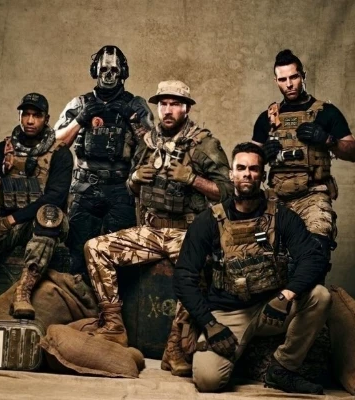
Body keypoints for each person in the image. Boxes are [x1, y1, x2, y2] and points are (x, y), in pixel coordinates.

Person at [84, 81, 233, 359]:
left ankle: (175, 347)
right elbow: (132, 187)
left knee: (194, 272)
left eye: (175, 104)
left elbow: (228, 192)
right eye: (163, 104)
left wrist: (192, 179)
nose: (168, 110)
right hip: (151, 231)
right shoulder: (148, 142)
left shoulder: (204, 144)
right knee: (95, 248)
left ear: (186, 109)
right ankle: (114, 326)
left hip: (187, 233)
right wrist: (134, 179)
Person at [173, 142, 331, 394]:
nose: (247, 174)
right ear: (231, 174)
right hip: (228, 312)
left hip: (272, 307)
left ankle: (282, 368)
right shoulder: (208, 221)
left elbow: (313, 258)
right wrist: (209, 324)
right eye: (241, 168)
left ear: (262, 174)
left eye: (254, 169)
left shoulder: (281, 216)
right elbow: (183, 275)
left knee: (320, 296)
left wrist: (286, 294)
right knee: (207, 381)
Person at [0, 93, 73, 319]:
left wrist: (11, 221)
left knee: (49, 214)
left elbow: (54, 197)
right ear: (19, 116)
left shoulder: (60, 153)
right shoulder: (1, 150)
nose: (30, 120)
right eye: (25, 114)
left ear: (46, 119)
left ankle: (23, 292)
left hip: (40, 225)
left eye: (36, 115)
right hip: (4, 223)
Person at [54, 45, 153, 276]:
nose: (108, 75)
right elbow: (56, 144)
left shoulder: (136, 105)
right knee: (77, 254)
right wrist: (81, 118)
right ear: (95, 71)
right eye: (104, 70)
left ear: (123, 73)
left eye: (114, 70)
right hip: (84, 188)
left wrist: (131, 118)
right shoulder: (79, 104)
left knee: (120, 255)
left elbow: (152, 146)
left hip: (120, 189)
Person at [252, 49, 355, 267]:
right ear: (276, 81)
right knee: (264, 256)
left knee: (315, 250)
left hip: (313, 196)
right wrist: (262, 155)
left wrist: (328, 140)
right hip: (277, 199)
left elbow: (353, 151)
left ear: (303, 75)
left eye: (294, 77)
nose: (289, 84)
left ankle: (313, 289)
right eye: (283, 79)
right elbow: (247, 162)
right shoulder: (268, 118)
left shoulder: (326, 112)